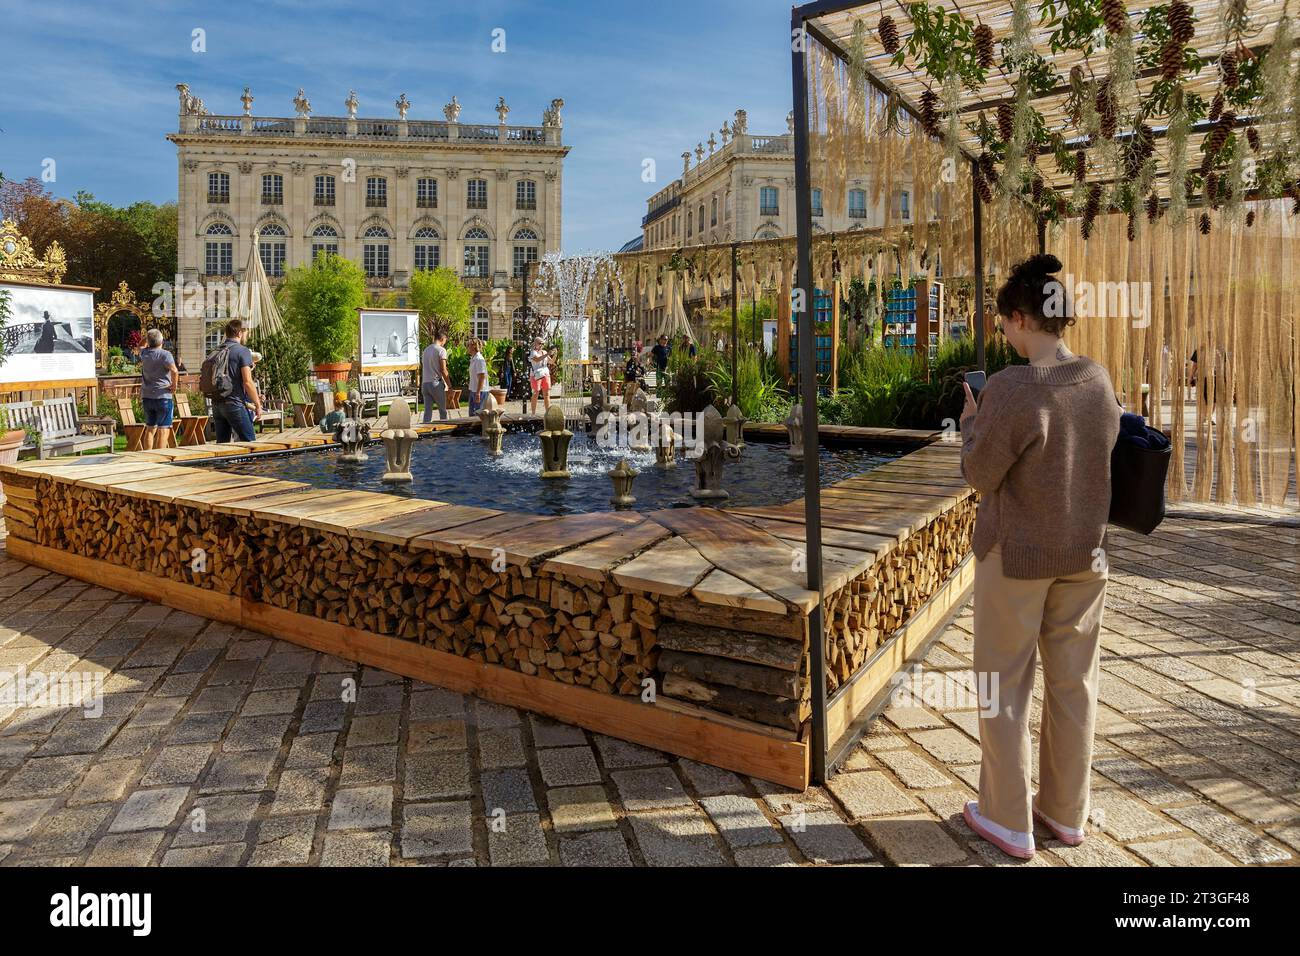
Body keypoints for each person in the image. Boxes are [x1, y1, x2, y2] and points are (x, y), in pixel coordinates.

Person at [958, 253, 1121, 861]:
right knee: (1075, 684)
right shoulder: (1098, 380)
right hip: (1085, 553)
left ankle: (1007, 819)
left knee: (1004, 685)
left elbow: (980, 472)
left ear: (1022, 318)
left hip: (1017, 557)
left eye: (1004, 322)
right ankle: (1064, 813)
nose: (1002, 332)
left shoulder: (1008, 388)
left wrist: (973, 424)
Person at [210, 318, 261, 443]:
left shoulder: (217, 350)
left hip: (217, 405)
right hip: (234, 404)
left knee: (223, 447)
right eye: (246, 333)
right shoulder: (242, 351)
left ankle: (223, 463)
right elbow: (247, 382)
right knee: (250, 444)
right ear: (239, 333)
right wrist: (258, 405)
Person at [139, 328, 178, 450]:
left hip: (147, 396)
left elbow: (140, 345)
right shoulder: (165, 355)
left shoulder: (144, 354)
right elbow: (174, 370)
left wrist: (148, 337)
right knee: (163, 429)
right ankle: (160, 458)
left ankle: (147, 457)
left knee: (150, 429)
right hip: (163, 396)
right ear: (162, 341)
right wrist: (174, 386)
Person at [421, 331, 449, 423]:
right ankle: (445, 432)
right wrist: (450, 386)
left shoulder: (426, 350)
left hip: (425, 384)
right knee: (443, 411)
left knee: (427, 413)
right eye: (445, 341)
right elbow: (443, 370)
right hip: (435, 383)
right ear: (442, 339)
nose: (445, 343)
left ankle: (424, 433)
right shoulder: (441, 350)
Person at [528, 336, 553, 415]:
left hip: (545, 374)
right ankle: (533, 413)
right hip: (536, 375)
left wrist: (555, 354)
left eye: (543, 343)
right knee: (535, 394)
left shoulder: (544, 352)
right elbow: (537, 359)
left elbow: (551, 362)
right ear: (535, 344)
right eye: (540, 343)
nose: (541, 345)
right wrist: (547, 354)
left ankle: (548, 413)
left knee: (547, 394)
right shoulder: (533, 352)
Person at [467, 338, 490, 415]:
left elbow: (482, 376)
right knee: (472, 415)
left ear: (473, 346)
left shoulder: (479, 359)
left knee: (478, 416)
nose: (467, 347)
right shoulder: (473, 358)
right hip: (474, 390)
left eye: (468, 345)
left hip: (480, 391)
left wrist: (478, 393)